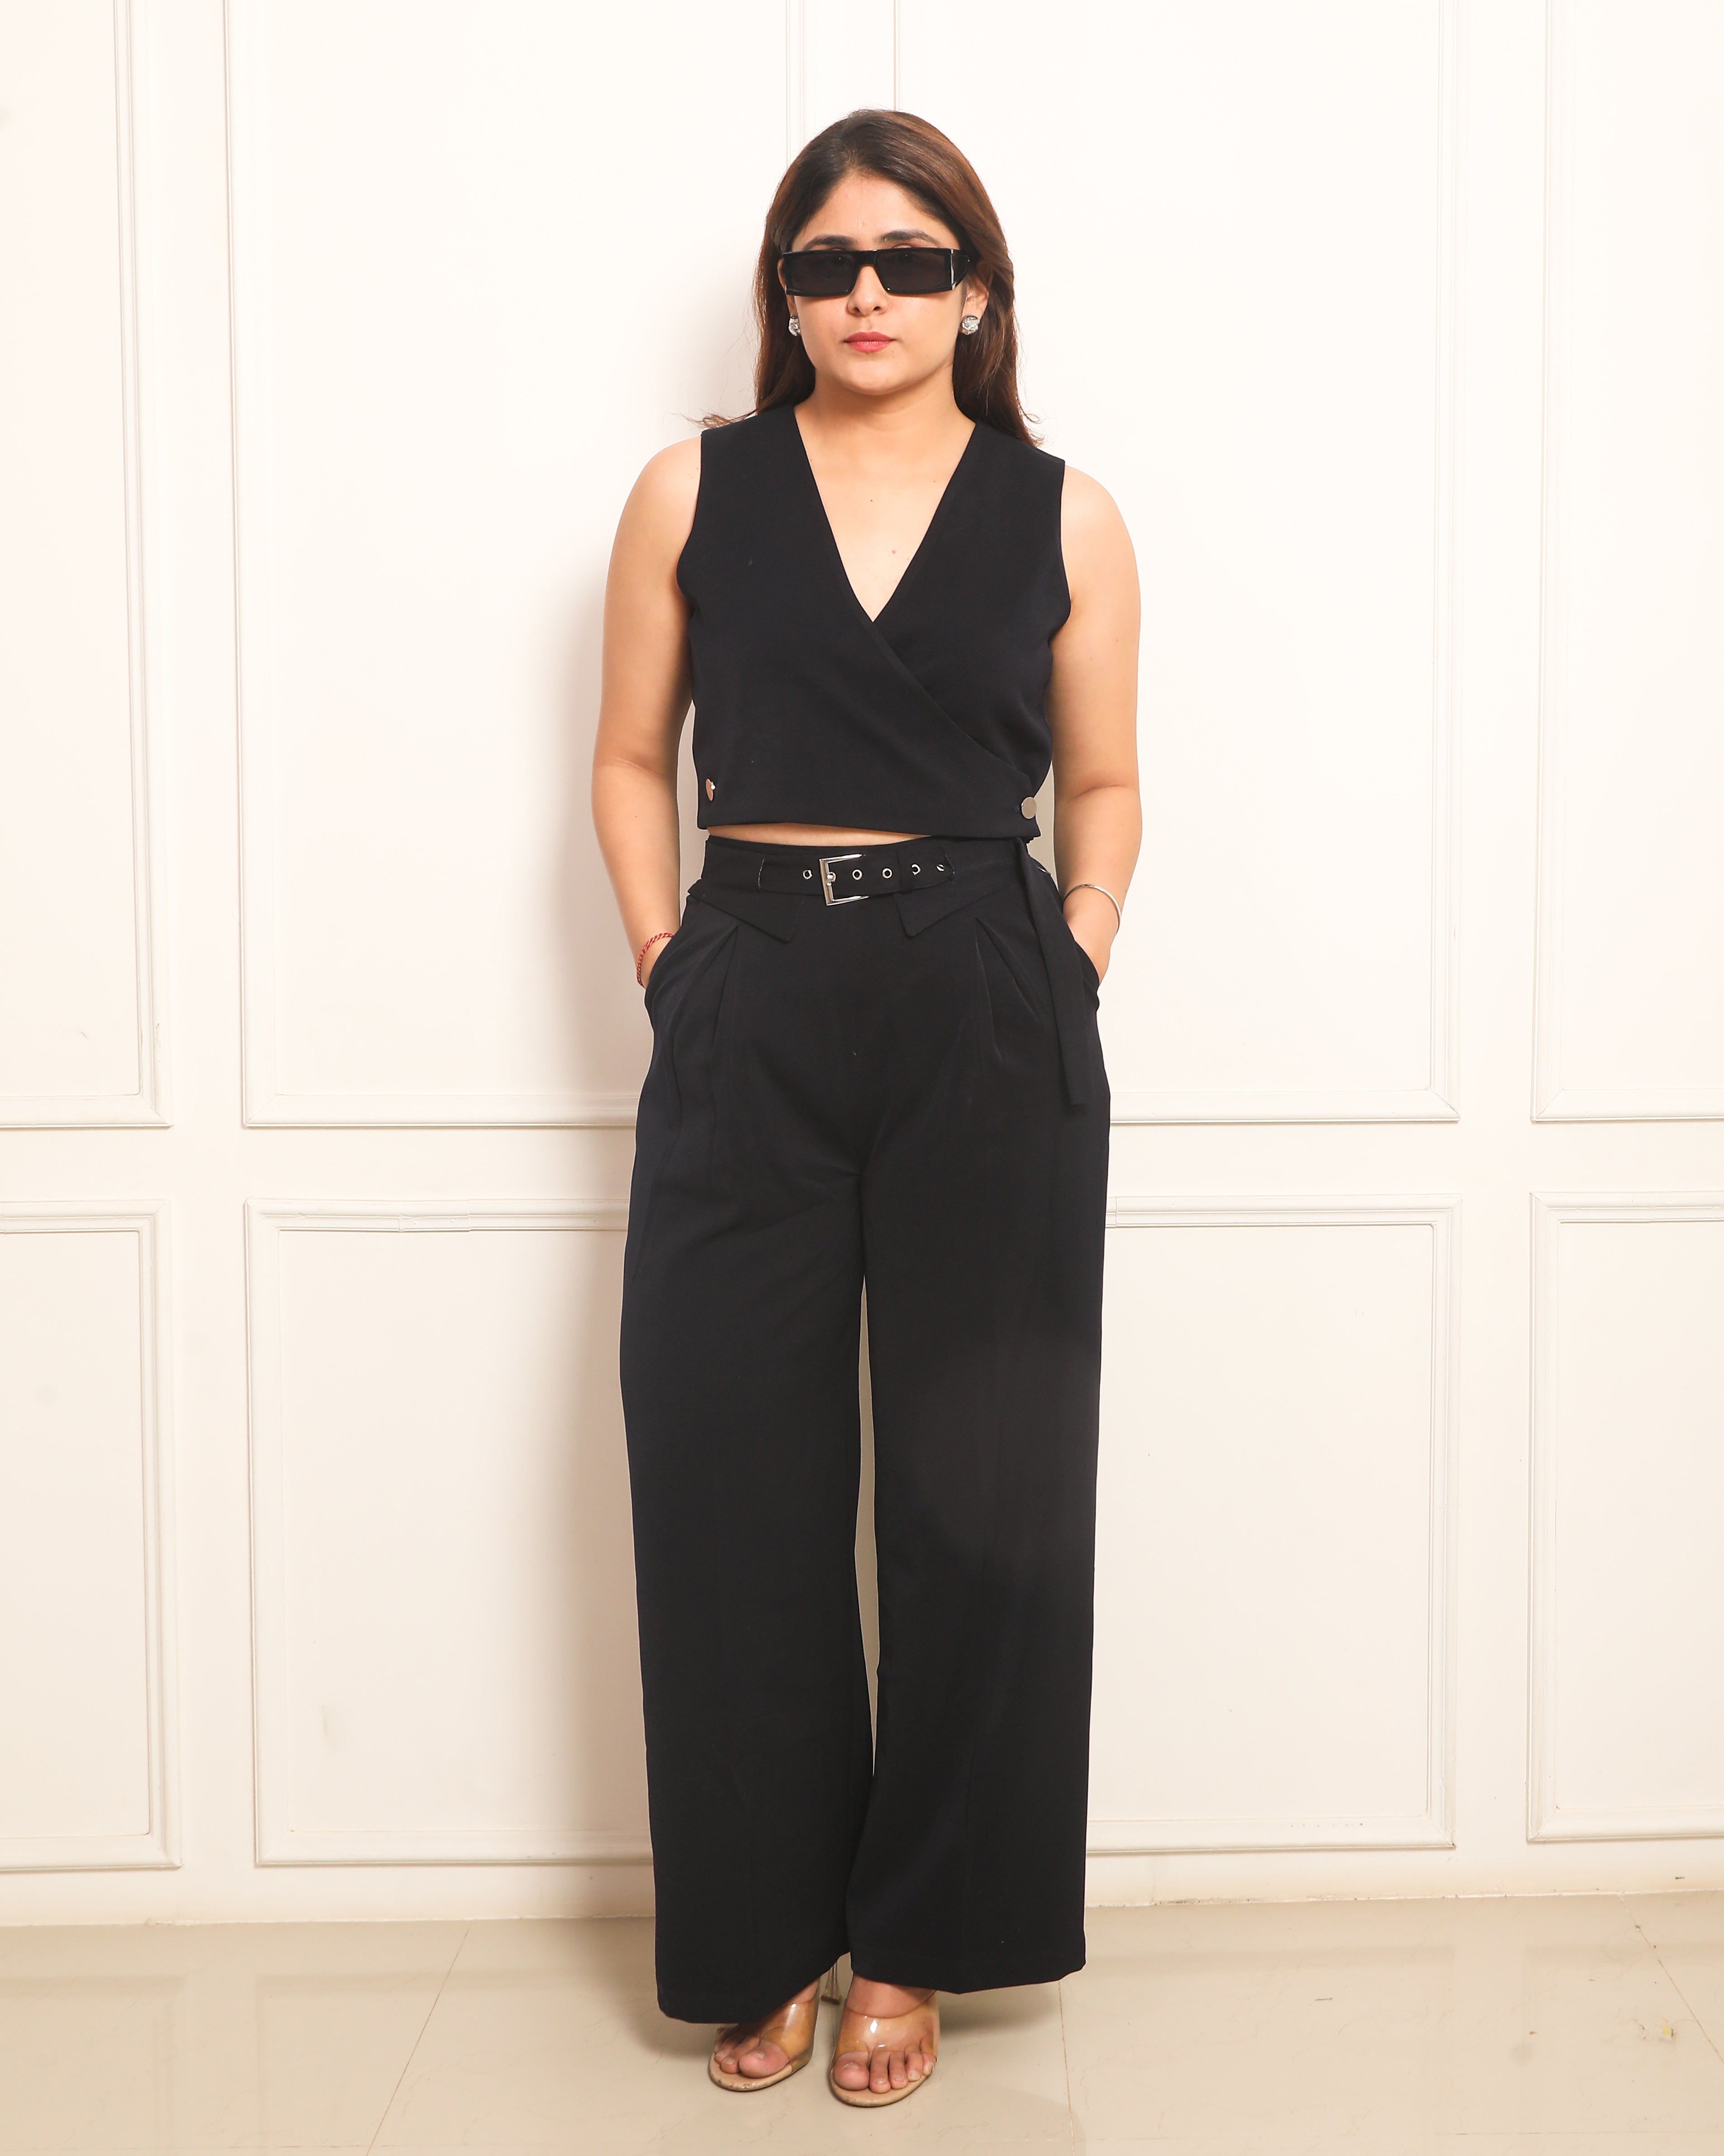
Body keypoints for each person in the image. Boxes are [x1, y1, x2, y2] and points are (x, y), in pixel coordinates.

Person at [591, 107, 1140, 2110]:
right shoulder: (692, 490)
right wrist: (673, 964)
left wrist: (1072, 950)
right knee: (723, 1470)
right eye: (825, 263)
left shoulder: (1063, 513)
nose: (867, 294)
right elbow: (627, 756)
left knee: (981, 1486)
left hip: (982, 991)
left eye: (910, 259)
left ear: (973, 290)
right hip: (746, 983)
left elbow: (1104, 781)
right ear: (785, 293)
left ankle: (915, 1935)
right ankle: (763, 1933)